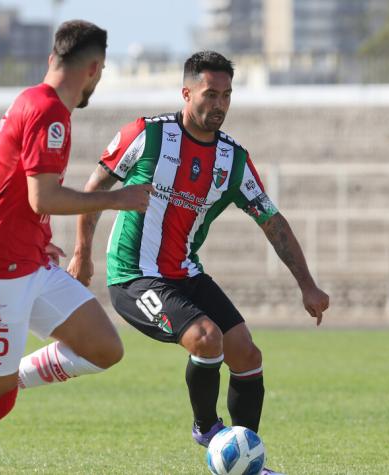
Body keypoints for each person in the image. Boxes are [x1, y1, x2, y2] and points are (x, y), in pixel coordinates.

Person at [0, 20, 152, 474]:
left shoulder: (27, 100)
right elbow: (43, 196)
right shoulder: (50, 112)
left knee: (105, 350)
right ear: (94, 68)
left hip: (29, 265)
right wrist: (118, 198)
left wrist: (34, 234)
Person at [68, 50, 330, 475]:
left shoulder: (232, 160)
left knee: (246, 353)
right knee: (208, 339)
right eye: (210, 94)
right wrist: (83, 254)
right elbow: (94, 188)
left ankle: (245, 460)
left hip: (186, 273)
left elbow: (273, 222)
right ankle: (208, 431)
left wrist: (307, 284)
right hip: (134, 276)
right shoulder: (147, 135)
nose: (219, 104)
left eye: (227, 95)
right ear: (186, 93)